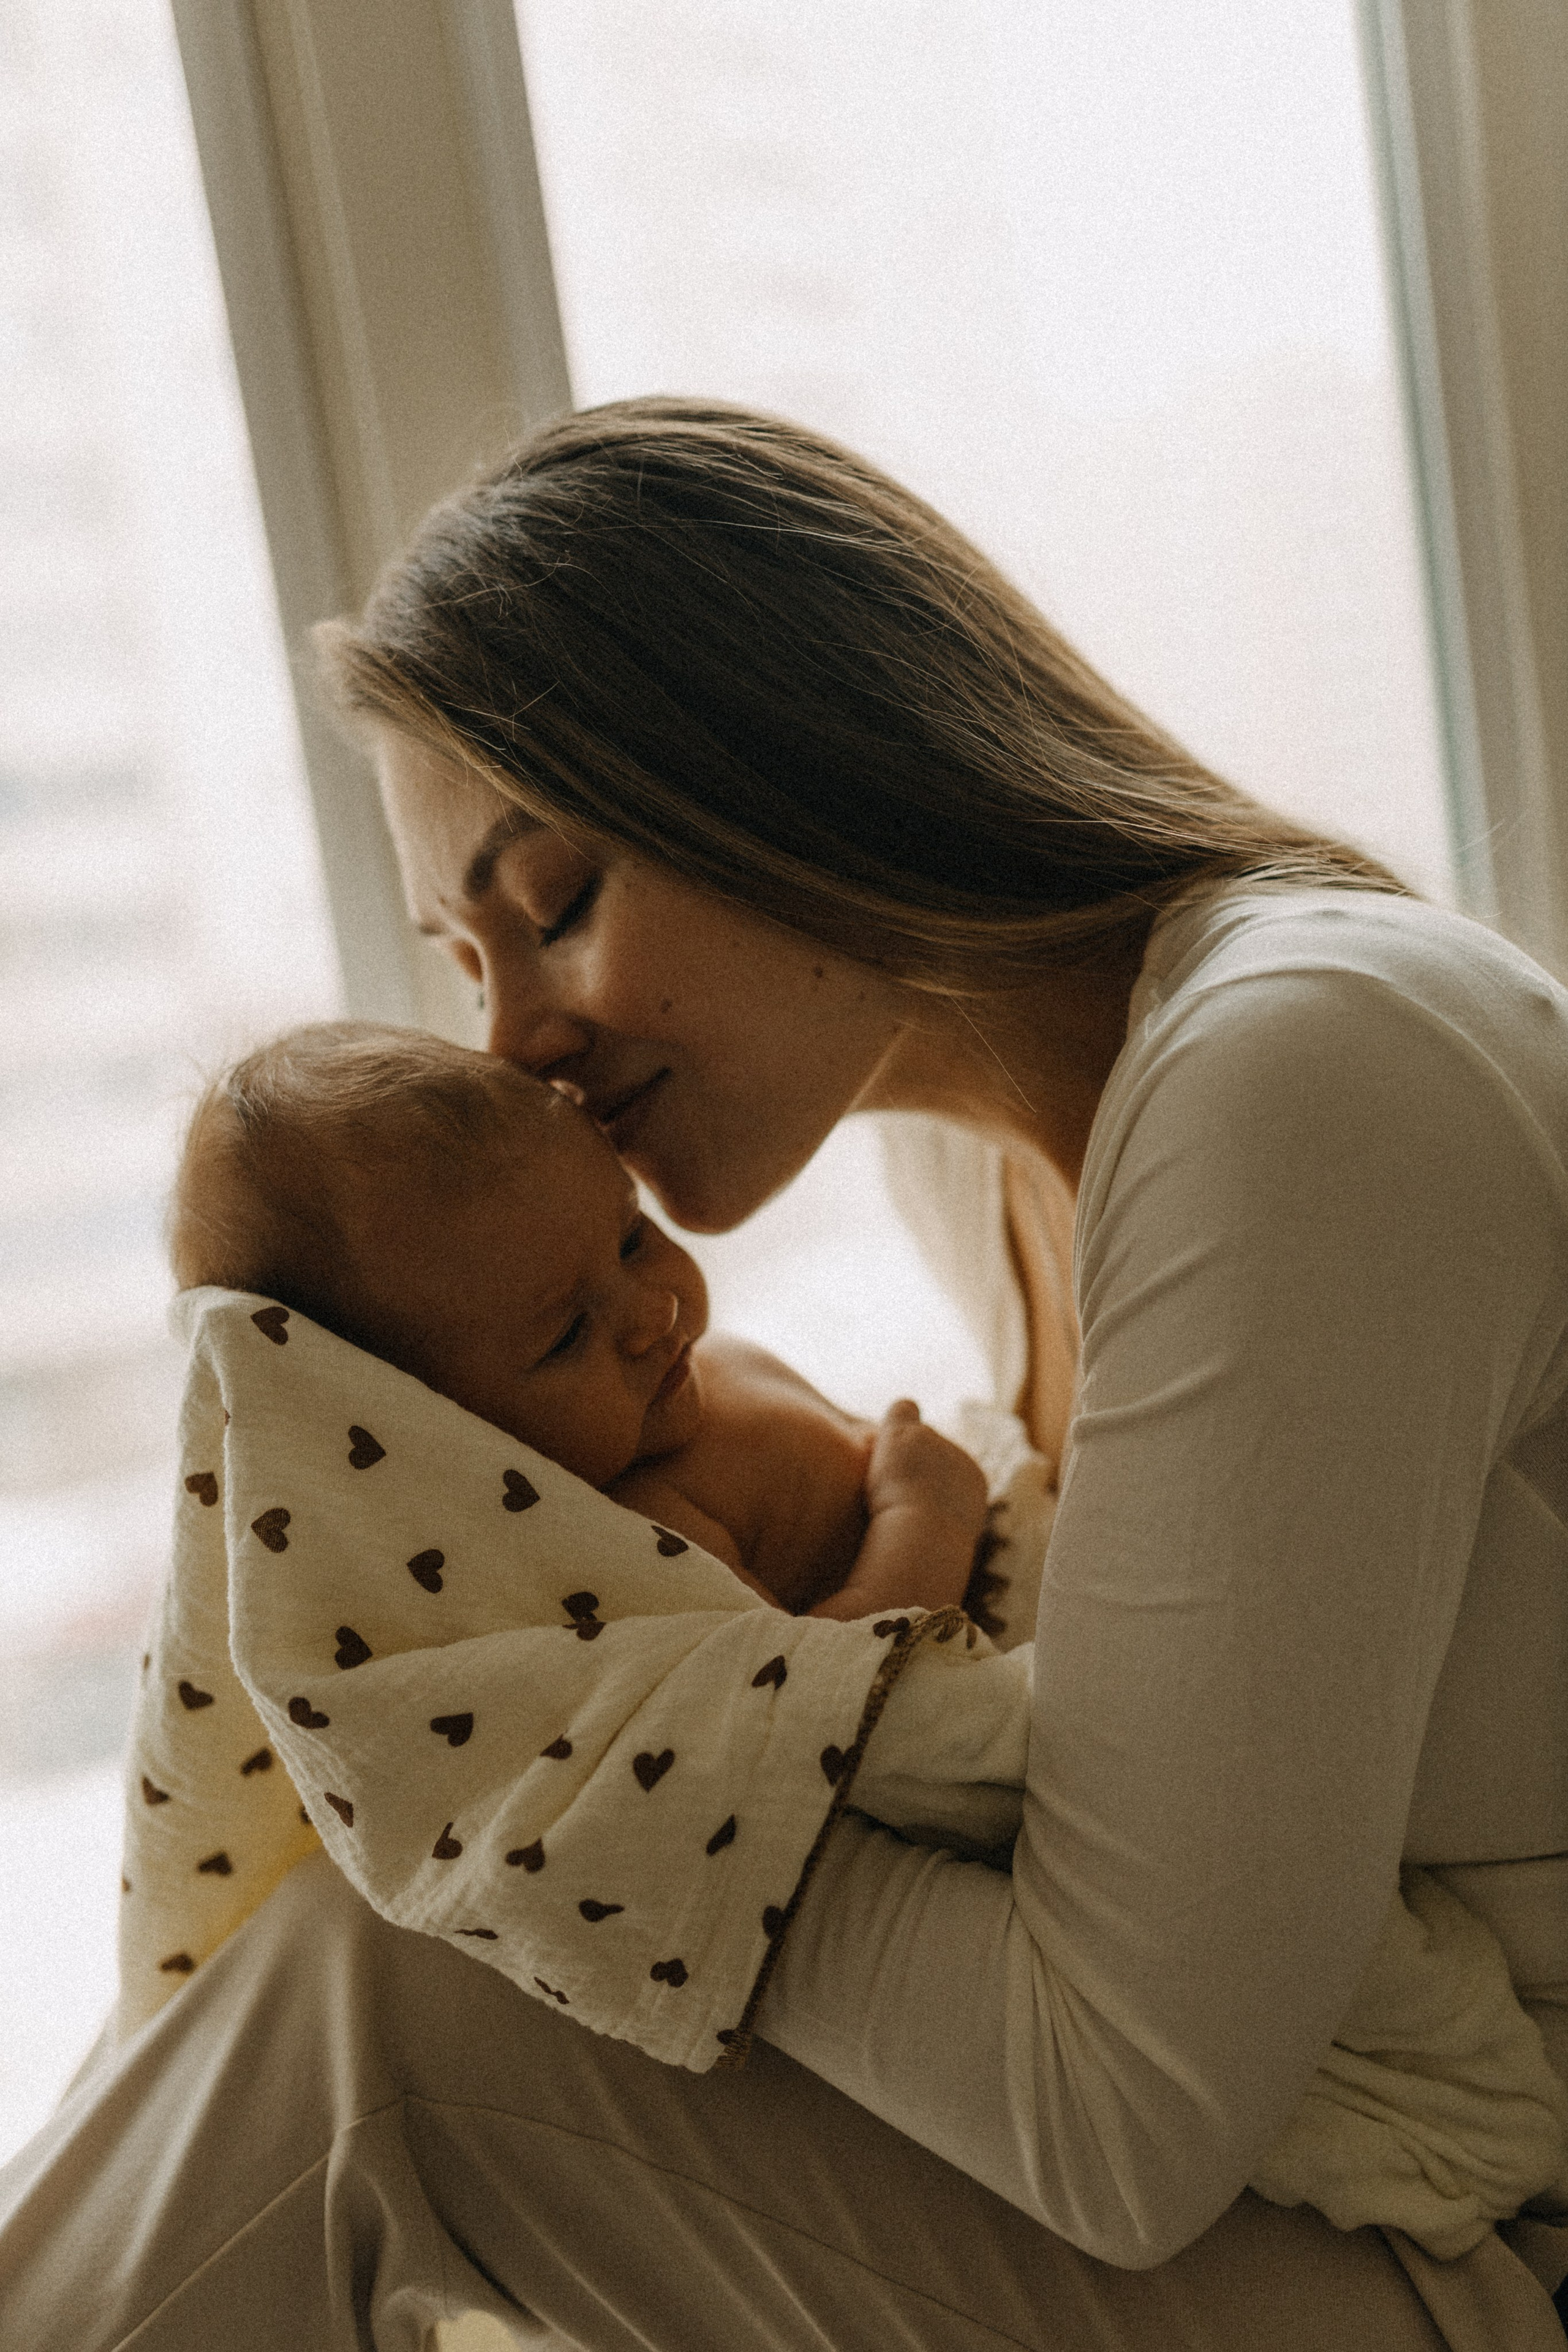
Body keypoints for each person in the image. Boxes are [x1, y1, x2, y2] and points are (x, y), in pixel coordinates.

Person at [2, 396, 1565, 2350]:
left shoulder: (1301, 1079)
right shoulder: (963, 1157)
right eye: (464, 961)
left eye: (552, 903)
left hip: (1498, 2232)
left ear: (801, 761)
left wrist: (564, 1777)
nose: (519, 1050)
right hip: (1334, 2197)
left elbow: (1123, 2123)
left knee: (382, 2025)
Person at [166, 1019, 995, 1624]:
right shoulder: (642, 1538)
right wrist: (924, 1522)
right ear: (437, 1430)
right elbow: (834, 1703)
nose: (651, 1311)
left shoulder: (705, 1369)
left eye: (632, 1238)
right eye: (566, 1335)